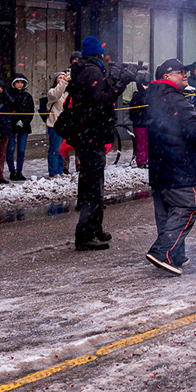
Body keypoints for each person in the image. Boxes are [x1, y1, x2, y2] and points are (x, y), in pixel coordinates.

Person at [142, 59, 196, 275]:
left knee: (167, 212)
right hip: (179, 166)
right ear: (166, 77)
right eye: (179, 72)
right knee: (187, 206)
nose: (185, 74)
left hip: (161, 167)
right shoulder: (176, 99)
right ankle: (163, 252)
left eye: (185, 71)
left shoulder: (154, 97)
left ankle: (175, 255)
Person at [62, 37, 124, 250]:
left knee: (91, 183)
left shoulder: (83, 69)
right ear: (98, 54)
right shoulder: (92, 71)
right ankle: (85, 235)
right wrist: (118, 87)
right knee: (92, 186)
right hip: (91, 134)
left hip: (86, 133)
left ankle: (95, 228)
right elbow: (101, 101)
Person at [3, 75, 36, 181]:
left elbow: (31, 111)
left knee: (21, 150)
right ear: (14, 84)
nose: (20, 85)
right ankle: (12, 170)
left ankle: (19, 170)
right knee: (10, 149)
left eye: (22, 83)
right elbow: (8, 109)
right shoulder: (9, 95)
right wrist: (16, 120)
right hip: (12, 126)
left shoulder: (27, 96)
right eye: (18, 82)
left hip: (24, 126)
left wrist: (24, 121)